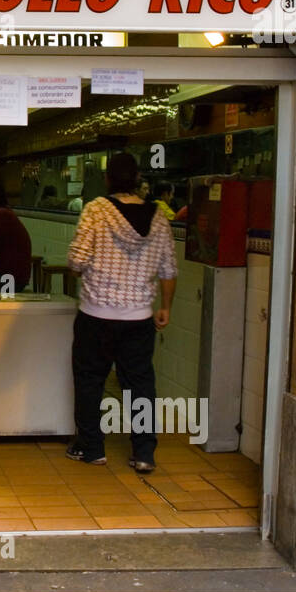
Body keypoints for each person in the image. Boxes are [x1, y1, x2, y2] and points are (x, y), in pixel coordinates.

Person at [65, 152, 177, 473]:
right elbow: (169, 269)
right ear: (138, 178)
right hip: (139, 317)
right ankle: (143, 452)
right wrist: (165, 307)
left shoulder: (96, 211)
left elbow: (75, 262)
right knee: (140, 384)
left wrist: (86, 269)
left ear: (109, 179)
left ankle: (91, 447)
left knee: (89, 381)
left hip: (96, 315)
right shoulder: (158, 218)